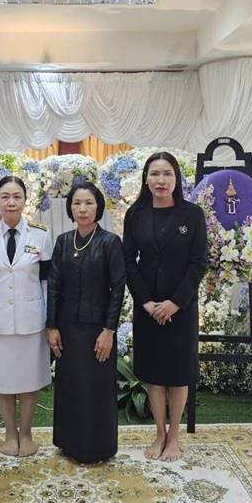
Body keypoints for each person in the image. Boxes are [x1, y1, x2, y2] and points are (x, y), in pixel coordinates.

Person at [122, 152, 207, 462]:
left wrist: (174, 303)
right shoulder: (136, 214)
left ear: (176, 179)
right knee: (154, 374)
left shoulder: (192, 215)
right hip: (148, 307)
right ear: (146, 179)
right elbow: (128, 262)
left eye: (167, 174)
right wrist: (146, 302)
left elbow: (198, 263)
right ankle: (159, 433)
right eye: (155, 174)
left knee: (179, 373)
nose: (161, 180)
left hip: (181, 308)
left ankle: (174, 437)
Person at [0, 176, 52, 456]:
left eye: (17, 197)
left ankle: (26, 434)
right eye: (5, 197)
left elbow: (47, 282)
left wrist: (50, 320)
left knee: (30, 380)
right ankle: (9, 434)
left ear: (25, 200)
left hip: (32, 320)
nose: (11, 202)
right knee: (2, 380)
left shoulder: (41, 235)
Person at [47, 181, 125, 465]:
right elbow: (53, 286)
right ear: (70, 208)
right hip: (67, 329)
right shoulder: (63, 241)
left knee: (95, 389)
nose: (82, 209)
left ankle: (95, 449)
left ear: (98, 207)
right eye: (77, 203)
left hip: (97, 330)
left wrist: (109, 330)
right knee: (70, 386)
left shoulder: (110, 242)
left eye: (88, 203)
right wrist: (52, 327)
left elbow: (118, 288)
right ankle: (68, 444)